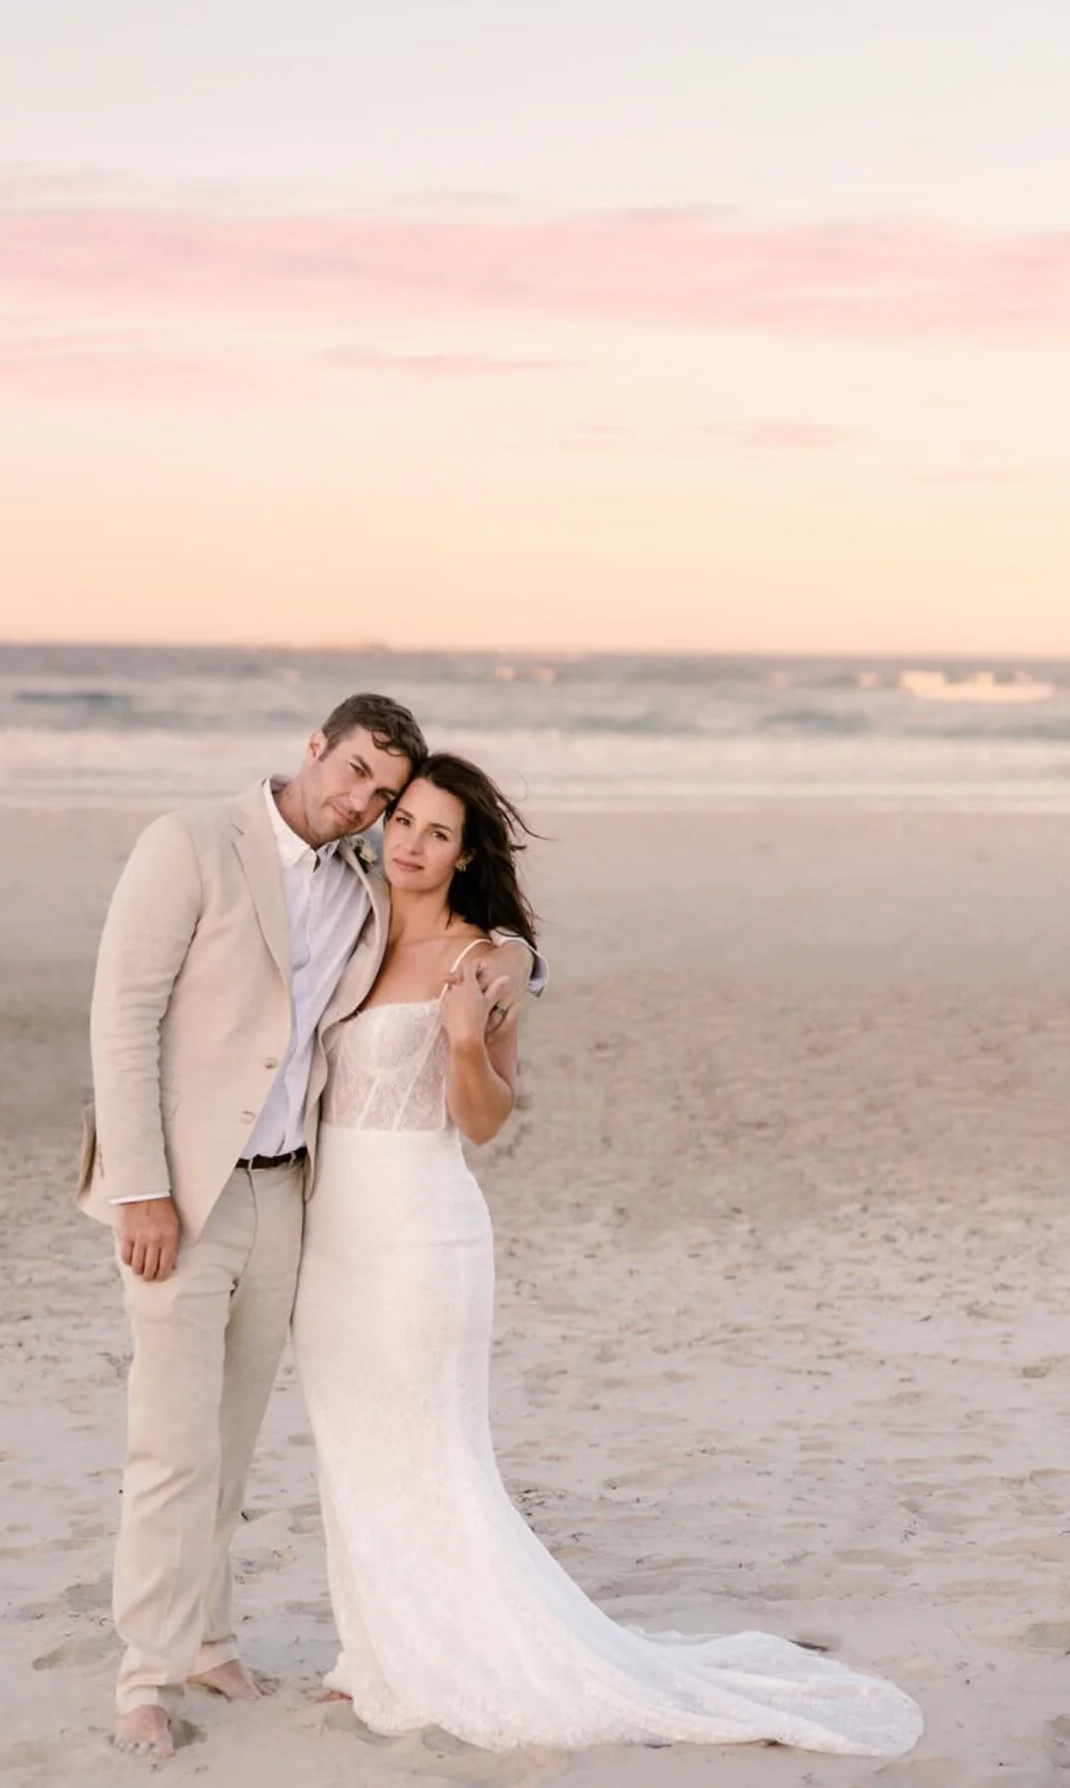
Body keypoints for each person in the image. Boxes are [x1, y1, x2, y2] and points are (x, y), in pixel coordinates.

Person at [290, 752, 924, 1758]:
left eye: (437, 832)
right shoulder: (343, 925)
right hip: (330, 1234)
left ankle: (456, 1659)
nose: (410, 842)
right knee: (352, 1442)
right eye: (402, 819)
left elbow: (488, 1122)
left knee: (433, 1448)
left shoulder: (483, 958)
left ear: (465, 854)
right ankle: (372, 1656)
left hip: (419, 1222)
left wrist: (461, 1041)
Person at [80, 697, 534, 1761]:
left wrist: (516, 955)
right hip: (184, 1196)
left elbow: (463, 937)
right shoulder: (190, 844)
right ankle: (145, 1675)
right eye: (360, 773)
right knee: (170, 1444)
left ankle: (206, 1638)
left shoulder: (360, 888)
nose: (365, 803)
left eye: (386, 795)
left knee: (232, 1435)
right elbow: (122, 1015)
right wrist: (141, 1187)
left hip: (293, 1194)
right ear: (315, 746)